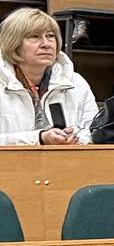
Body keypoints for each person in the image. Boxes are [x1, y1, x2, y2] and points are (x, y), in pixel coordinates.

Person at [0, 8, 99, 145]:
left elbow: (95, 133)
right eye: (34, 37)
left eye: (50, 36)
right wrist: (39, 138)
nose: (46, 44)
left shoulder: (76, 82)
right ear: (13, 44)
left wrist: (76, 139)